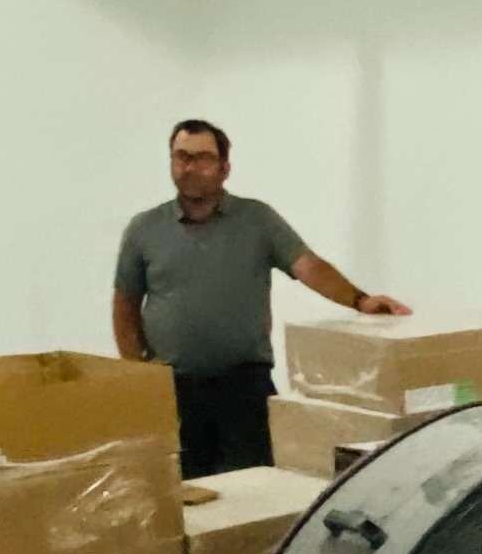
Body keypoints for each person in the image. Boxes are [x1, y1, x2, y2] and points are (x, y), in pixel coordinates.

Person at [111, 119, 407, 476]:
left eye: (203, 158)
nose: (190, 167)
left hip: (244, 388)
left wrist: (361, 301)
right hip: (174, 392)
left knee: (254, 492)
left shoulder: (257, 220)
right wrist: (138, 377)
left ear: (225, 168)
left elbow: (308, 266)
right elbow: (125, 305)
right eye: (181, 157)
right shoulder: (144, 230)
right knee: (184, 499)